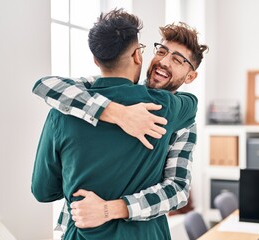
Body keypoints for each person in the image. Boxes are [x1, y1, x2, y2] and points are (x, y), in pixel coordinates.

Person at [33, 11, 208, 234]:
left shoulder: (181, 118)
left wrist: (112, 208)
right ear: (139, 56)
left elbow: (177, 190)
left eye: (177, 59)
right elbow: (51, 85)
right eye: (161, 51)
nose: (163, 61)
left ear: (190, 76)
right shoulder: (168, 107)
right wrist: (116, 112)